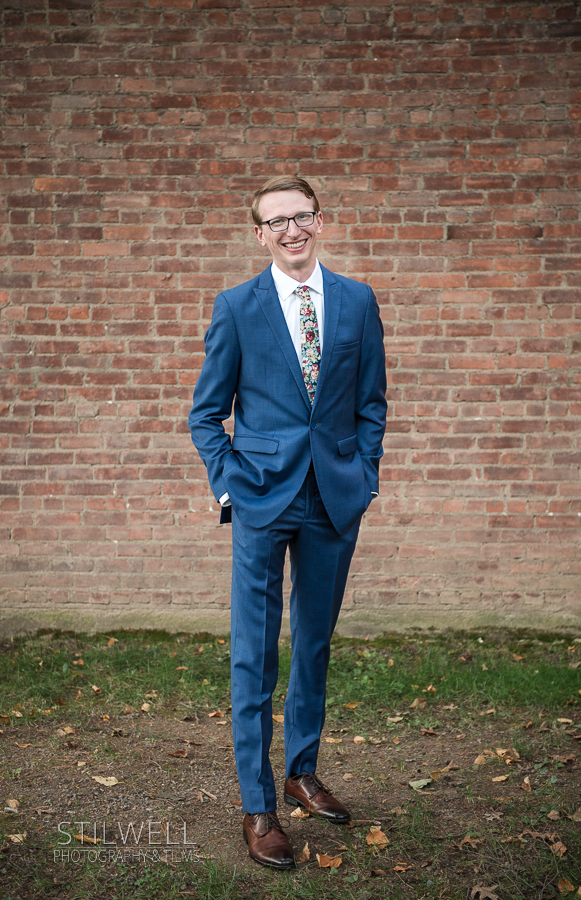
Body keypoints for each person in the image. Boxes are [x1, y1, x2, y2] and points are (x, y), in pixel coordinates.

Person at [188, 175, 387, 869]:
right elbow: (205, 413)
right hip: (262, 499)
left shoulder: (358, 302)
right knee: (253, 653)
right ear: (259, 234)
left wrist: (363, 475)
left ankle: (302, 773)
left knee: (313, 642)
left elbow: (371, 403)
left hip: (334, 496)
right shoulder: (237, 307)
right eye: (276, 222)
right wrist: (231, 487)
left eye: (301, 216)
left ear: (320, 222)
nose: (291, 230)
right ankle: (258, 804)